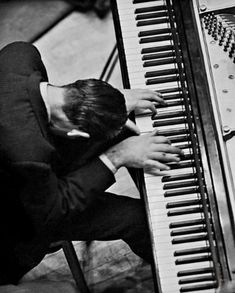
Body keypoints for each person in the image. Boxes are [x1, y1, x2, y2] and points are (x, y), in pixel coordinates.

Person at [0, 41, 183, 285]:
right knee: (138, 218)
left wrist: (116, 102)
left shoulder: (19, 55)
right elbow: (54, 210)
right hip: (19, 218)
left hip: (20, 166)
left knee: (123, 127)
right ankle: (173, 278)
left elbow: (48, 117)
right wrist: (117, 156)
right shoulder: (29, 155)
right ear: (77, 136)